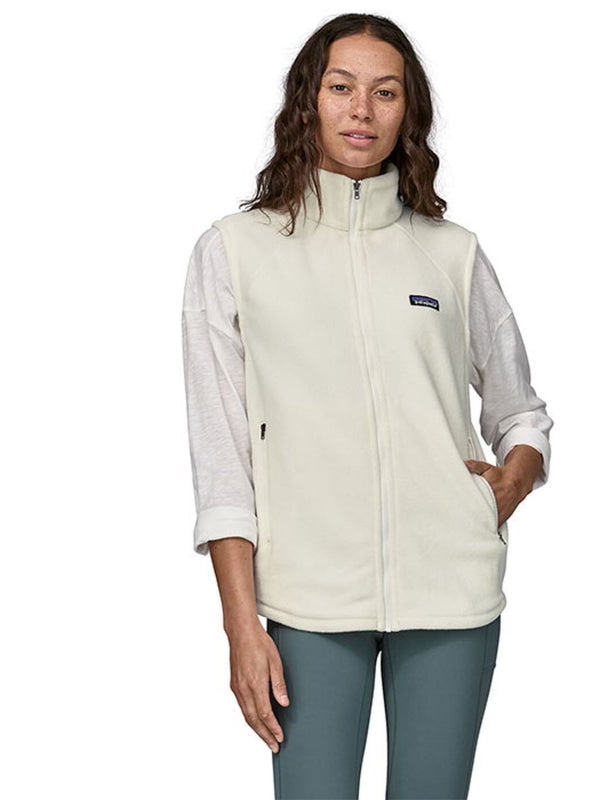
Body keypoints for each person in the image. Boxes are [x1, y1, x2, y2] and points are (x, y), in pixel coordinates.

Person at [181, 12, 553, 800]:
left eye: (385, 92)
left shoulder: (450, 253)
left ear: (407, 111)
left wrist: (507, 485)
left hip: (452, 592)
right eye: (341, 87)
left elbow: (521, 412)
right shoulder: (235, 252)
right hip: (307, 598)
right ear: (307, 102)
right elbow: (223, 462)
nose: (362, 109)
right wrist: (240, 625)